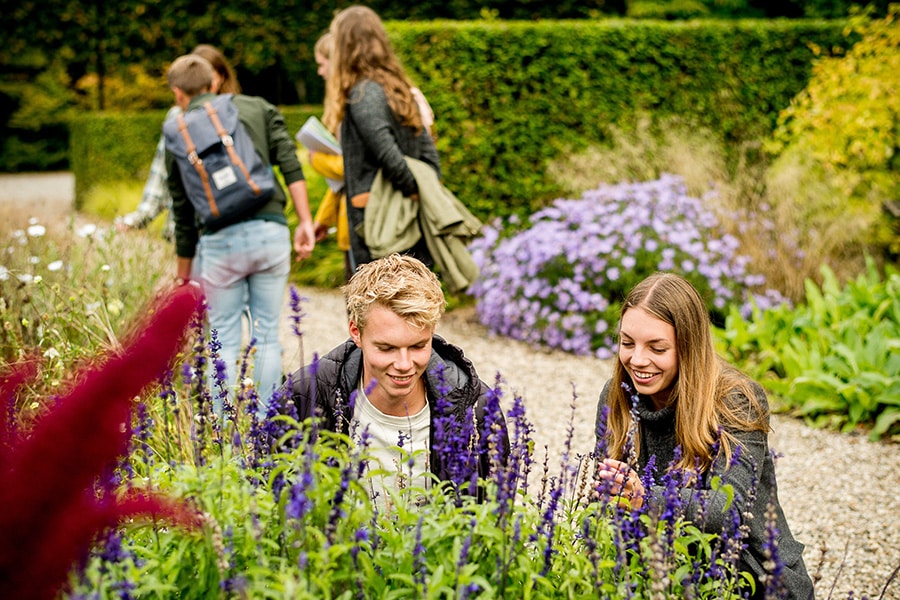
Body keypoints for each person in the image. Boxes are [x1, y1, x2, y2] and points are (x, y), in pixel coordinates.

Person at [593, 273, 814, 599]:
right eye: (627, 343)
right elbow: (605, 500)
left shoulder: (735, 401)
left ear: (688, 346)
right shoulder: (618, 394)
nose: (637, 359)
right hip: (652, 568)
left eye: (657, 347)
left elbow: (729, 511)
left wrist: (645, 498)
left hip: (744, 573)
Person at [276, 254, 509, 503]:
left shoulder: (476, 407)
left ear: (432, 331)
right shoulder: (306, 395)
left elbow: (496, 509)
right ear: (356, 332)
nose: (404, 365)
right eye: (387, 348)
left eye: (418, 346)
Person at [164, 54, 315, 409]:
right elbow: (289, 163)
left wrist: (183, 278)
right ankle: (266, 425)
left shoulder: (176, 132)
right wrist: (305, 221)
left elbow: (182, 212)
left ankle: (221, 431)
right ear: (215, 82)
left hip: (220, 242)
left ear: (177, 93)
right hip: (270, 232)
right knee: (267, 336)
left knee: (223, 341)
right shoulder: (256, 107)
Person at [325, 5, 441, 271]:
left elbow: (388, 154)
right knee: (410, 293)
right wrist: (422, 190)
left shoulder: (363, 95)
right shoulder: (399, 88)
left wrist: (414, 191)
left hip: (380, 227)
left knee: (379, 295)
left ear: (345, 46)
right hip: (406, 223)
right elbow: (430, 157)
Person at [116, 45, 241, 241]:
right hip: (184, 231)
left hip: (229, 229)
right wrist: (139, 218)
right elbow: (162, 174)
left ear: (221, 78)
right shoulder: (177, 118)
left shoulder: (236, 113)